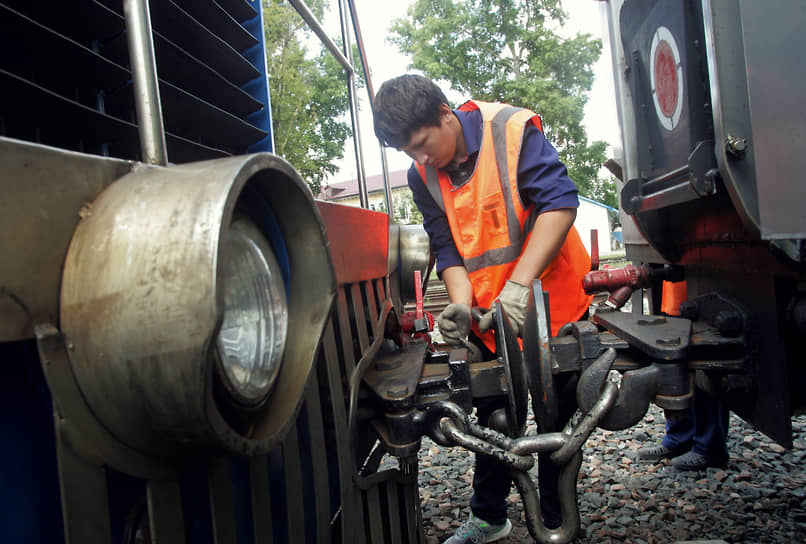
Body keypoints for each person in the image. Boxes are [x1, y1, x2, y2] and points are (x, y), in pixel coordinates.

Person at [373, 74, 593, 544]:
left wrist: (519, 286)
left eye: (422, 144)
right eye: (409, 153)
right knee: (493, 417)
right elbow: (448, 249)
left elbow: (559, 204)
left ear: (444, 114)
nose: (420, 158)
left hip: (551, 305)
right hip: (489, 319)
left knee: (558, 417)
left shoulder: (510, 130)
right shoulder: (423, 175)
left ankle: (556, 521)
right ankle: (490, 517)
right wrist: (459, 306)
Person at [638, 281, 730, 470]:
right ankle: (679, 438)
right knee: (679, 361)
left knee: (705, 362)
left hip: (700, 282)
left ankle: (709, 447)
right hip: (677, 289)